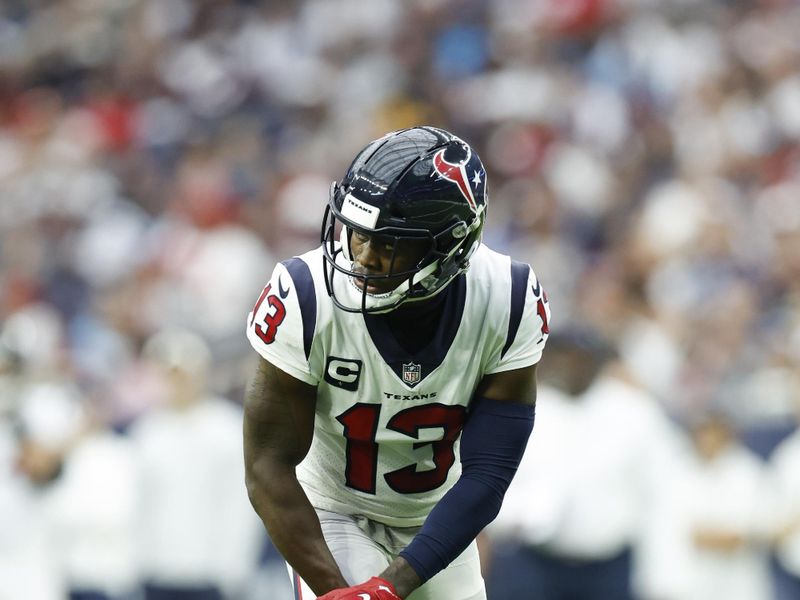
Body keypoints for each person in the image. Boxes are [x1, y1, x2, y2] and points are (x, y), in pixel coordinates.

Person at [243, 126, 551, 600]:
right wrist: (342, 593)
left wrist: (391, 585)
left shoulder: (506, 299)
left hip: (436, 519)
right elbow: (267, 465)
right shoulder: (305, 296)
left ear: (451, 245)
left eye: (388, 243)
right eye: (356, 234)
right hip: (334, 510)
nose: (362, 257)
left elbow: (488, 475)